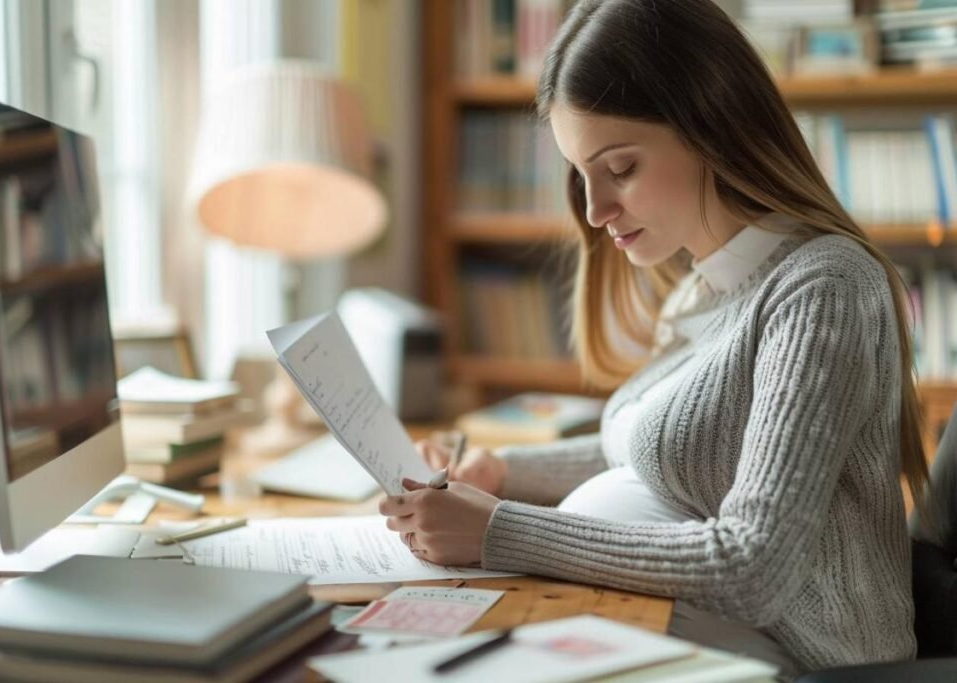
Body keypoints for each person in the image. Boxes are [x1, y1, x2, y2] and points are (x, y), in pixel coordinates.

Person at [379, 0, 930, 680]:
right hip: (693, 627)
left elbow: (750, 567)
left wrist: (499, 528)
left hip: (806, 659)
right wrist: (505, 474)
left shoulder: (823, 288)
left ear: (713, 125)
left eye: (621, 168)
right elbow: (667, 451)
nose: (594, 210)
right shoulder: (706, 288)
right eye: (581, 175)